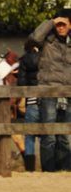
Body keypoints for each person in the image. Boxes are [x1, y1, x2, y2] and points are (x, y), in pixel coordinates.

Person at [29, 9, 71, 172]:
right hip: (48, 92)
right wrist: (50, 22)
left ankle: (66, 169)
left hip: (68, 93)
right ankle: (48, 169)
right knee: (49, 134)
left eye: (63, 24)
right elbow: (33, 38)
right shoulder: (47, 40)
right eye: (58, 24)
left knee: (65, 135)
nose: (60, 27)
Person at [17, 39, 40, 172]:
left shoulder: (24, 60)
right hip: (47, 100)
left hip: (30, 100)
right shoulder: (45, 59)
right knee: (48, 133)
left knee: (29, 136)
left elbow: (21, 82)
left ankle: (30, 167)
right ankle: (49, 166)